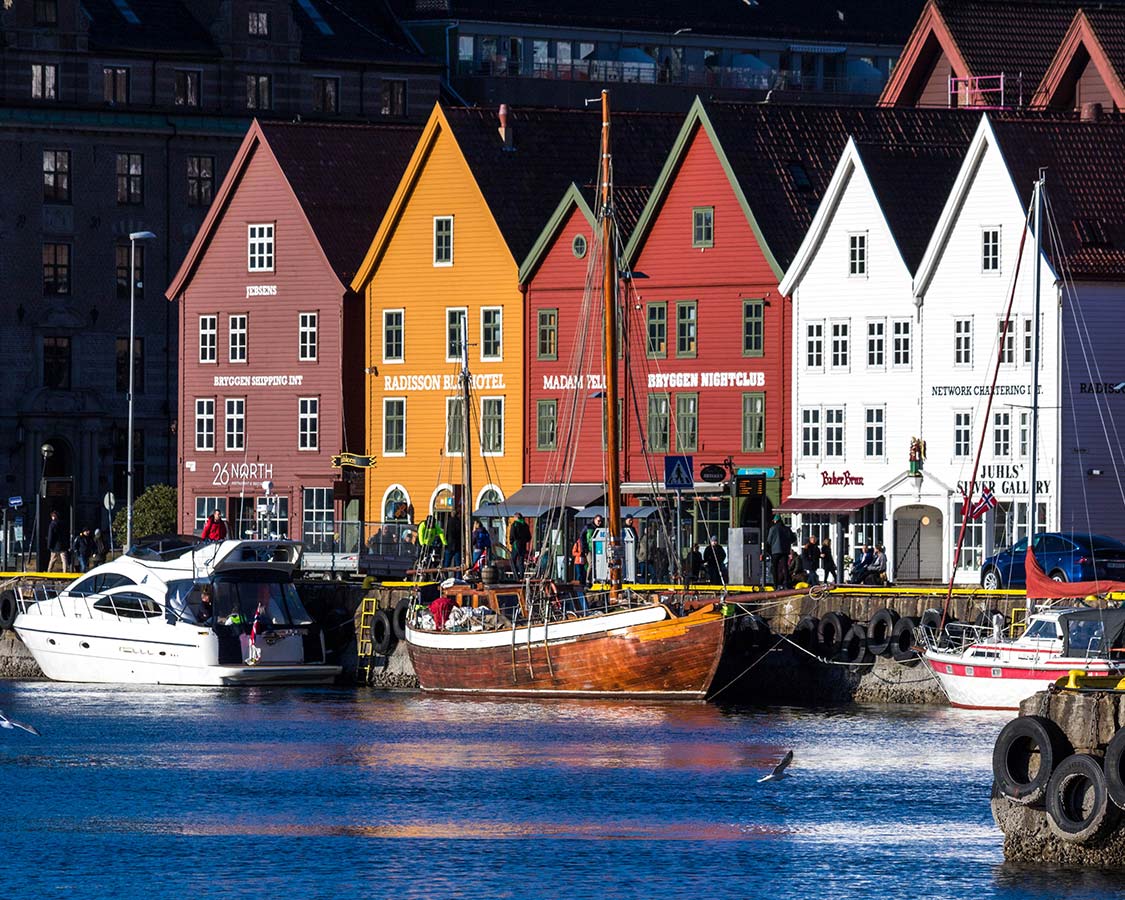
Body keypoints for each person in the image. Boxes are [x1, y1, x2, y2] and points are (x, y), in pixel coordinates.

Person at [766, 514, 796, 589]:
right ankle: (786, 584)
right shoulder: (787, 529)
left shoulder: (772, 529)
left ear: (775, 521)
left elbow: (769, 541)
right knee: (785, 567)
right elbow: (793, 538)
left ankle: (775, 584)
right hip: (785, 550)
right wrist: (787, 542)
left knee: (774, 567)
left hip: (775, 551)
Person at [508, 512, 532, 579]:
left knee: (512, 560)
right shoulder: (525, 525)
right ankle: (522, 575)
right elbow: (529, 536)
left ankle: (516, 575)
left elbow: (512, 534)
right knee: (521, 561)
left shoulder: (515, 524)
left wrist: (511, 541)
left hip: (516, 544)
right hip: (523, 545)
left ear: (516, 517)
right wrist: (524, 541)